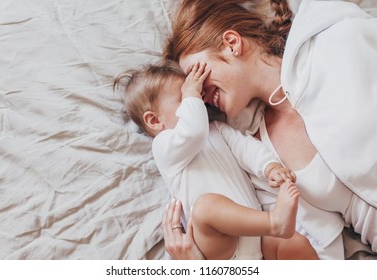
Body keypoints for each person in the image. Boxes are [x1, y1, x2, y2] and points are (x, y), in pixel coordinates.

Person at [162, 0, 377, 259]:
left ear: (232, 43)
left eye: (198, 75)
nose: (199, 95)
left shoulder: (332, 43)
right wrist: (197, 267)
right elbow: (308, 254)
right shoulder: (261, 158)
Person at [115, 60, 318, 259]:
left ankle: (277, 228)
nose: (198, 100)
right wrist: (191, 94)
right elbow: (193, 132)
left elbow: (244, 147)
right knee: (204, 208)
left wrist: (269, 167)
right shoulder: (164, 145)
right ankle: (275, 222)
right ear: (155, 120)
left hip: (254, 237)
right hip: (218, 246)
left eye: (196, 95)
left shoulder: (218, 129)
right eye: (183, 97)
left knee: (296, 243)